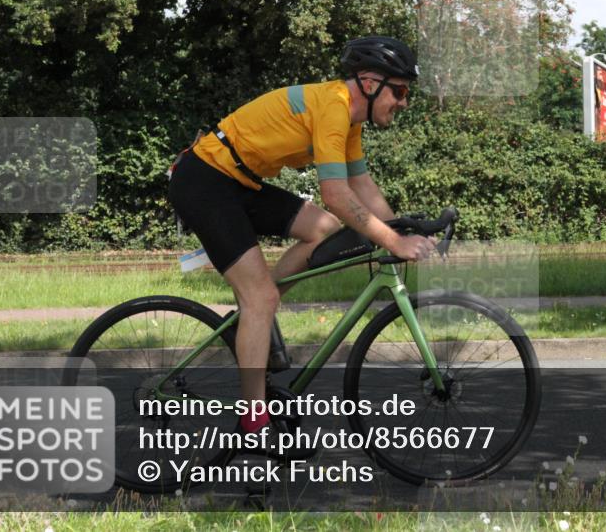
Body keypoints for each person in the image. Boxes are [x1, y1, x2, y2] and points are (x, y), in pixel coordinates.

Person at [168, 36, 437, 444]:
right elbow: (335, 195)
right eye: (399, 91)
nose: (403, 102)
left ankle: (253, 318)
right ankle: (252, 423)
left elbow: (361, 185)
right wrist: (393, 242)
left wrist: (400, 230)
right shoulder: (333, 106)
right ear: (369, 81)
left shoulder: (350, 120)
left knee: (322, 231)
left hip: (239, 181)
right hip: (205, 180)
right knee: (262, 297)